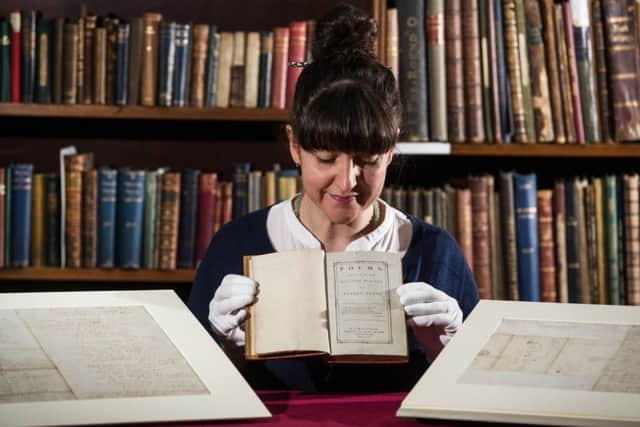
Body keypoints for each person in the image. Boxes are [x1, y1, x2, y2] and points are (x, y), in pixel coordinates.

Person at [188, 3, 479, 392]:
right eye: (326, 158)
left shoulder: (436, 252)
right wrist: (223, 347)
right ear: (295, 146)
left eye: (367, 160)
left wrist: (446, 351)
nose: (347, 182)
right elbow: (192, 390)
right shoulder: (236, 245)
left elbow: (478, 399)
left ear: (391, 150)